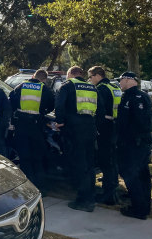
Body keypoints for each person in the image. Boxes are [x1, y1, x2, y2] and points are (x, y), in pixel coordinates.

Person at [55, 66, 97, 212]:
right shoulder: (92, 88)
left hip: (74, 130)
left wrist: (59, 121)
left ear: (71, 74)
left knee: (79, 164)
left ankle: (83, 200)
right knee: (90, 164)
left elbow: (59, 106)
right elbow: (101, 109)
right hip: (90, 129)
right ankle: (91, 196)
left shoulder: (67, 86)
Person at [9, 69, 55, 191]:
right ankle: (41, 188)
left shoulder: (21, 86)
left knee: (24, 157)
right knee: (38, 156)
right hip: (37, 126)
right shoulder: (44, 88)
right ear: (44, 79)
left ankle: (27, 187)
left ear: (33, 76)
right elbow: (52, 104)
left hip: (21, 124)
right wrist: (43, 111)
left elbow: (11, 101)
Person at [116, 71, 152, 219]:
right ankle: (144, 205)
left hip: (134, 144)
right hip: (138, 143)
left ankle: (139, 209)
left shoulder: (135, 97)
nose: (120, 83)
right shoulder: (137, 95)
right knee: (143, 175)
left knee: (131, 174)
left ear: (128, 80)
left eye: (121, 80)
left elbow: (139, 123)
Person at [88, 66, 122, 205]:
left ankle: (108, 195)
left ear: (98, 75)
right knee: (112, 160)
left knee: (105, 161)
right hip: (115, 127)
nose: (90, 80)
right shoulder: (115, 87)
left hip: (105, 128)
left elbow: (99, 111)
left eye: (90, 77)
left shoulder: (101, 89)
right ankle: (113, 187)